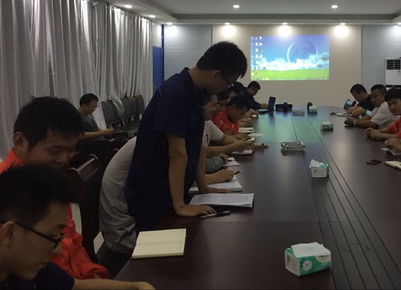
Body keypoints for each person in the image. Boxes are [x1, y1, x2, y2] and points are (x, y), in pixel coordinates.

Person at [125, 41, 248, 232]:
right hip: (155, 195)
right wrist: (180, 206)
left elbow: (197, 146)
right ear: (216, 75)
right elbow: (177, 153)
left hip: (174, 191)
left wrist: (203, 187)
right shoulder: (175, 93)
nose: (226, 88)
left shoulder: (196, 94)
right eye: (228, 83)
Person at [0, 96, 109, 279]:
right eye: (55, 151)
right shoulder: (6, 192)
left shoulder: (51, 181)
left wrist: (94, 276)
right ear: (20, 142)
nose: (64, 160)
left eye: (71, 149)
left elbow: (74, 245)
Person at [0, 164, 153, 289]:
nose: (57, 250)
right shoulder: (26, 263)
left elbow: (74, 285)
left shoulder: (25, 266)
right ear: (9, 233)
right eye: (51, 236)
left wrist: (135, 286)